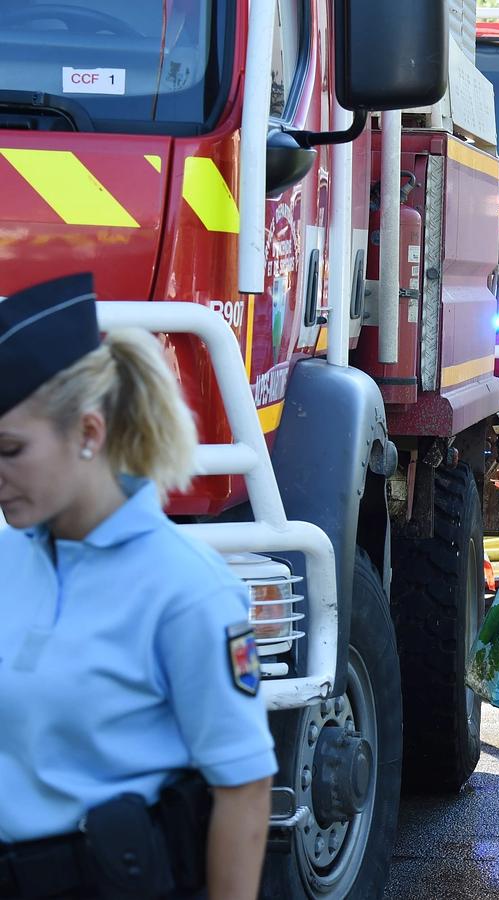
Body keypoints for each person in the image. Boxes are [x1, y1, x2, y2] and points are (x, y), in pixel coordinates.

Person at [0, 273, 276, 898]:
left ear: (90, 434)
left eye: (11, 449)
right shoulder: (7, 558)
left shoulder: (186, 591)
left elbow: (244, 787)